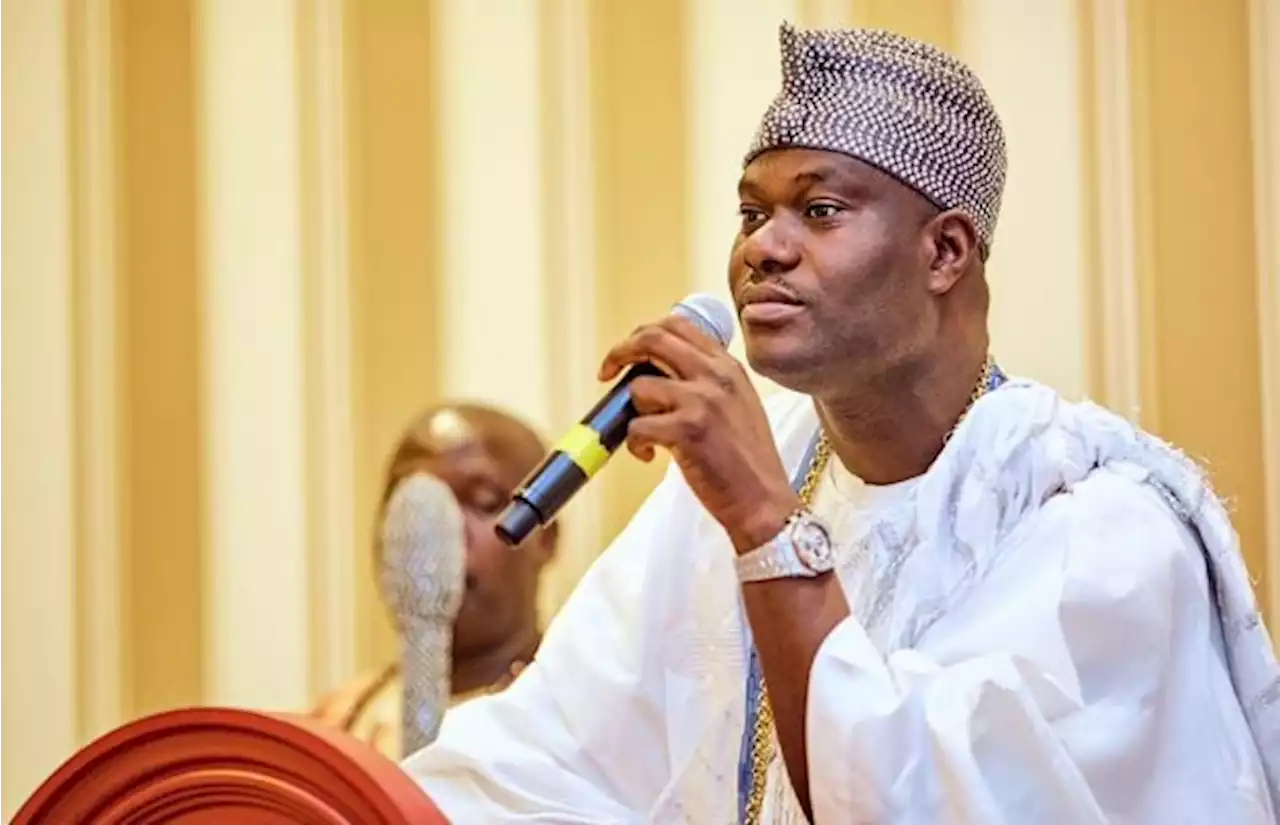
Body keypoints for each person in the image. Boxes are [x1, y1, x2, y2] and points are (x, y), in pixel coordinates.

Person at [404, 23, 1279, 823]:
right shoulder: (728, 488)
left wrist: (765, 524)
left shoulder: (1103, 524)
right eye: (752, 212)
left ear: (945, 252)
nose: (762, 248)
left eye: (818, 211)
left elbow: (935, 804)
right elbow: (543, 758)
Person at [310, 402, 556, 759]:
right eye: (408, 504)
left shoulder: (580, 715)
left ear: (546, 539)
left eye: (482, 500)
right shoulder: (335, 725)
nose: (437, 528)